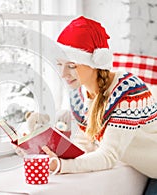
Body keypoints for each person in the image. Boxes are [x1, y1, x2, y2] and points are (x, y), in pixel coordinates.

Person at [41, 16, 157, 194]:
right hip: (144, 169)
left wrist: (61, 165)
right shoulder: (79, 93)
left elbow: (108, 156)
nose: (63, 74)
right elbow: (86, 143)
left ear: (95, 62)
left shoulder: (128, 91)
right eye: (59, 64)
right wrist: (43, 151)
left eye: (71, 66)